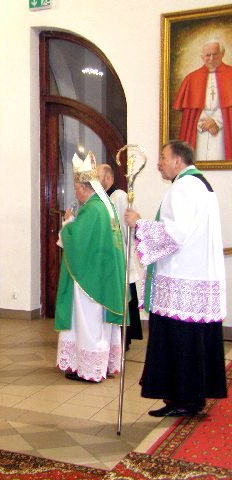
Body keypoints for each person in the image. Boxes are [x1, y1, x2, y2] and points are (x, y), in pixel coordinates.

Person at [124, 140, 227, 417]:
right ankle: (188, 398)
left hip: (180, 279)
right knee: (191, 342)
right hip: (193, 276)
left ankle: (183, 399)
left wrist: (139, 224)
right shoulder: (199, 185)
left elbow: (174, 235)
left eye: (163, 157)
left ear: (178, 161)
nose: (159, 163)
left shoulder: (184, 188)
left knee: (180, 342)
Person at [55, 152, 125, 383]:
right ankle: (98, 365)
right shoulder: (105, 205)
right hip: (104, 274)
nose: (76, 193)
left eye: (76, 189)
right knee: (99, 324)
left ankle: (90, 370)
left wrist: (67, 222)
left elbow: (76, 239)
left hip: (90, 278)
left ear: (84, 188)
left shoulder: (93, 209)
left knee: (88, 322)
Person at [97, 164, 143, 350]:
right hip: (109, 258)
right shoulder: (103, 198)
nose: (94, 181)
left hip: (121, 254)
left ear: (108, 178)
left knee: (124, 296)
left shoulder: (120, 197)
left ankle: (125, 338)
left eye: (97, 177)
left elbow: (127, 227)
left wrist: (122, 249)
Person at [173, 40, 232, 161]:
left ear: (222, 54)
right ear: (202, 57)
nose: (211, 59)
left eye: (215, 54)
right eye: (207, 55)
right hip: (200, 130)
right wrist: (204, 123)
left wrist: (217, 121)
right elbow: (191, 112)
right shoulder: (191, 78)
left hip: (223, 129)